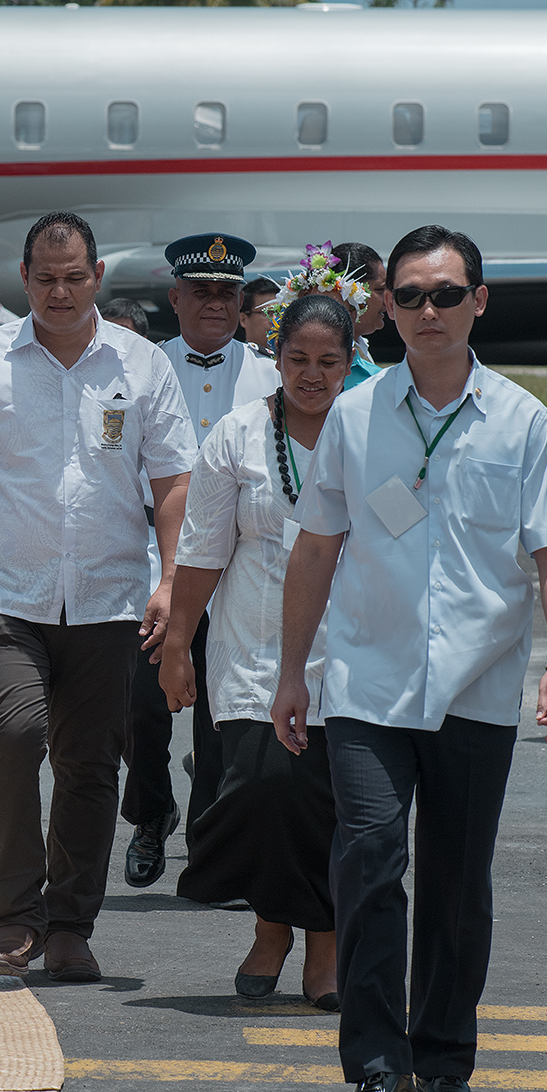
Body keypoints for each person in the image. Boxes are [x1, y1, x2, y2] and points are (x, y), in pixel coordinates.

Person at [271, 224, 547, 1092]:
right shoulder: (356, 417)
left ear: (479, 301)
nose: (428, 311)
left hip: (475, 687)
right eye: (409, 295)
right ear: (388, 306)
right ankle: (375, 1065)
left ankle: (443, 1057)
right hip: (366, 682)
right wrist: (293, 671)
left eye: (447, 294)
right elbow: (318, 546)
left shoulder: (521, 420)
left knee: (456, 876)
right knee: (368, 859)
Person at [0, 211, 196, 984]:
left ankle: (69, 924)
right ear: (23, 281)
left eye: (74, 277)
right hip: (2, 594)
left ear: (98, 277)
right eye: (45, 278)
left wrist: (171, 582)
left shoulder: (142, 365)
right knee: (12, 734)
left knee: (91, 763)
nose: (60, 292)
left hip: (108, 599)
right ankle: (14, 916)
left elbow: (172, 483)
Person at [163, 294, 354, 1006]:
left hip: (343, 654)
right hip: (249, 651)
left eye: (328, 361)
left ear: (350, 361)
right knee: (268, 793)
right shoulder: (237, 436)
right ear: (275, 358)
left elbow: (403, 534)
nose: (312, 374)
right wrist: (179, 642)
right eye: (298, 359)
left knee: (326, 804)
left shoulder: (367, 437)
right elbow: (204, 547)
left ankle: (324, 947)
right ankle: (272, 928)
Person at [122, 233, 280, 892]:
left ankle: (213, 847)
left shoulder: (272, 376)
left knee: (225, 716)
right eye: (202, 291)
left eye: (227, 292)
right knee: (139, 706)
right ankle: (153, 811)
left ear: (241, 302)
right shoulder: (139, 368)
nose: (214, 303)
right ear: (175, 297)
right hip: (152, 567)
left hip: (238, 569)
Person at [333, 242, 387, 389]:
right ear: (351, 293)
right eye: (380, 290)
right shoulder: (333, 356)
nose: (388, 300)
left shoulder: (361, 346)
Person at [240, 277, 280, 353]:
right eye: (267, 313)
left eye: (278, 313)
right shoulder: (238, 359)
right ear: (243, 319)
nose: (275, 319)